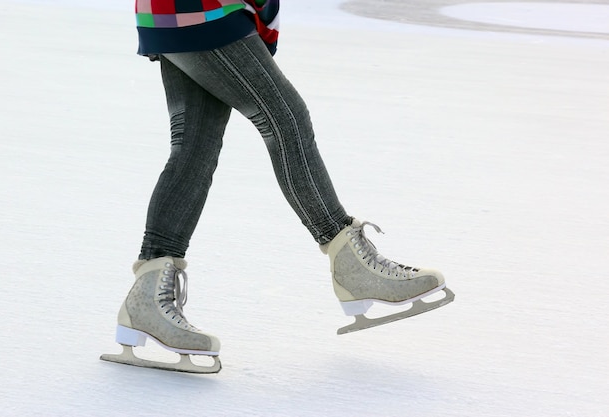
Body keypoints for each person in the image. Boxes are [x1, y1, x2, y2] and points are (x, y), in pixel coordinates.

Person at [102, 0, 453, 372]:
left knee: (195, 147)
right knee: (285, 118)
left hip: (181, 10)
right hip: (201, 8)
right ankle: (353, 266)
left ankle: (147, 300)